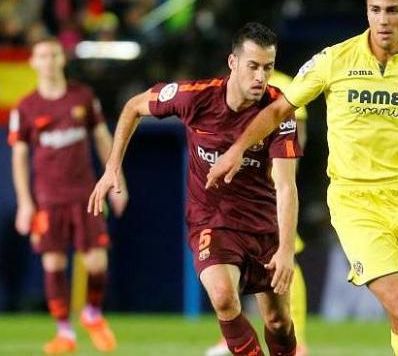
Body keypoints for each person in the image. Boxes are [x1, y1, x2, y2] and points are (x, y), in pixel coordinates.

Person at [206, 0, 398, 356]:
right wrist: (237, 149)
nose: (382, 20)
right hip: (356, 201)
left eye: (391, 10)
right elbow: (278, 110)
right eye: (375, 10)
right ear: (366, 11)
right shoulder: (333, 61)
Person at [88, 22, 302, 356]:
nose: (261, 77)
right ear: (233, 63)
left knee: (278, 321)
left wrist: (286, 249)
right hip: (211, 219)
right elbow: (133, 107)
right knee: (223, 297)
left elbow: (287, 185)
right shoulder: (196, 97)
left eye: (268, 68)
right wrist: (112, 166)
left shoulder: (279, 111)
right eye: (253, 66)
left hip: (261, 224)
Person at [8, 39, 128, 354]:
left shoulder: (83, 96)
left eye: (54, 54)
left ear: (62, 59)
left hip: (85, 194)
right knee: (54, 263)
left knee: (97, 262)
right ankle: (65, 332)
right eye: (42, 56)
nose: (48, 61)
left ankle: (92, 313)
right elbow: (19, 157)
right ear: (33, 62)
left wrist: (117, 180)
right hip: (48, 198)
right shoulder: (26, 107)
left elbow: (102, 138)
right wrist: (25, 202)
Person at [205, 70, 309, 356]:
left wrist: (283, 172)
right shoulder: (228, 88)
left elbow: (295, 134)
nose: (259, 71)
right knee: (230, 256)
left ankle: (297, 336)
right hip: (238, 185)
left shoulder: (287, 86)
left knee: (285, 258)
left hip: (271, 186)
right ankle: (229, 334)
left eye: (265, 63)